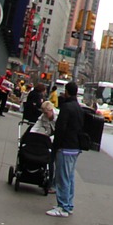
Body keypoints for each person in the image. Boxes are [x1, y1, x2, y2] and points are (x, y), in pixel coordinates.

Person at [48, 81, 83, 217]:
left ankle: (63, 206)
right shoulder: (79, 108)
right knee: (70, 177)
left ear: (67, 91)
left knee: (62, 177)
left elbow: (60, 129)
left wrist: (55, 146)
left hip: (65, 146)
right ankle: (68, 204)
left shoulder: (66, 107)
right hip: (75, 146)